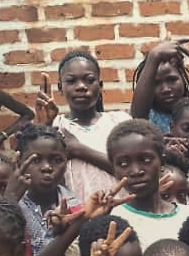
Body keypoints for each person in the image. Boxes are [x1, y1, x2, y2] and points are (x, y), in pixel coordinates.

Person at [46, 50, 132, 200]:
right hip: (77, 213)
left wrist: (78, 149)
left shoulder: (120, 122)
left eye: (89, 80)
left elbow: (132, 172)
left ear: (100, 85)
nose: (81, 86)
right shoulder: (55, 126)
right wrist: (44, 126)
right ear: (60, 88)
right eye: (71, 81)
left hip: (122, 209)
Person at [105, 119, 189, 249]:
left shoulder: (188, 217)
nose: (136, 171)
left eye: (145, 160)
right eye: (123, 163)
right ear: (113, 168)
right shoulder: (112, 223)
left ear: (161, 161)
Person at [13, 124, 81, 256]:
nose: (47, 167)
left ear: (66, 161)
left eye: (56, 160)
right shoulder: (13, 207)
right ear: (19, 161)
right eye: (36, 160)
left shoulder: (78, 207)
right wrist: (11, 200)